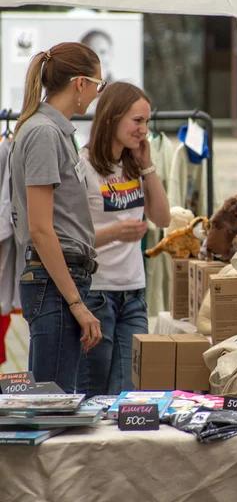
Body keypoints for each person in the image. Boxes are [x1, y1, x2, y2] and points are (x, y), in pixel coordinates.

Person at [9, 42, 104, 393]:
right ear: (80, 83)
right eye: (98, 84)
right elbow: (40, 228)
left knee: (56, 398)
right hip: (55, 279)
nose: (97, 93)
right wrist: (77, 304)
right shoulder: (45, 133)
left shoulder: (52, 131)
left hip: (59, 278)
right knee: (51, 402)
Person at [77, 81, 171, 396]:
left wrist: (147, 166)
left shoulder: (133, 165)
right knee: (93, 395)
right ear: (111, 118)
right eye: (137, 121)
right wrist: (115, 233)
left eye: (146, 121)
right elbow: (71, 239)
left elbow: (163, 217)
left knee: (130, 394)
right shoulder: (82, 165)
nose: (143, 129)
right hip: (95, 296)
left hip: (134, 294)